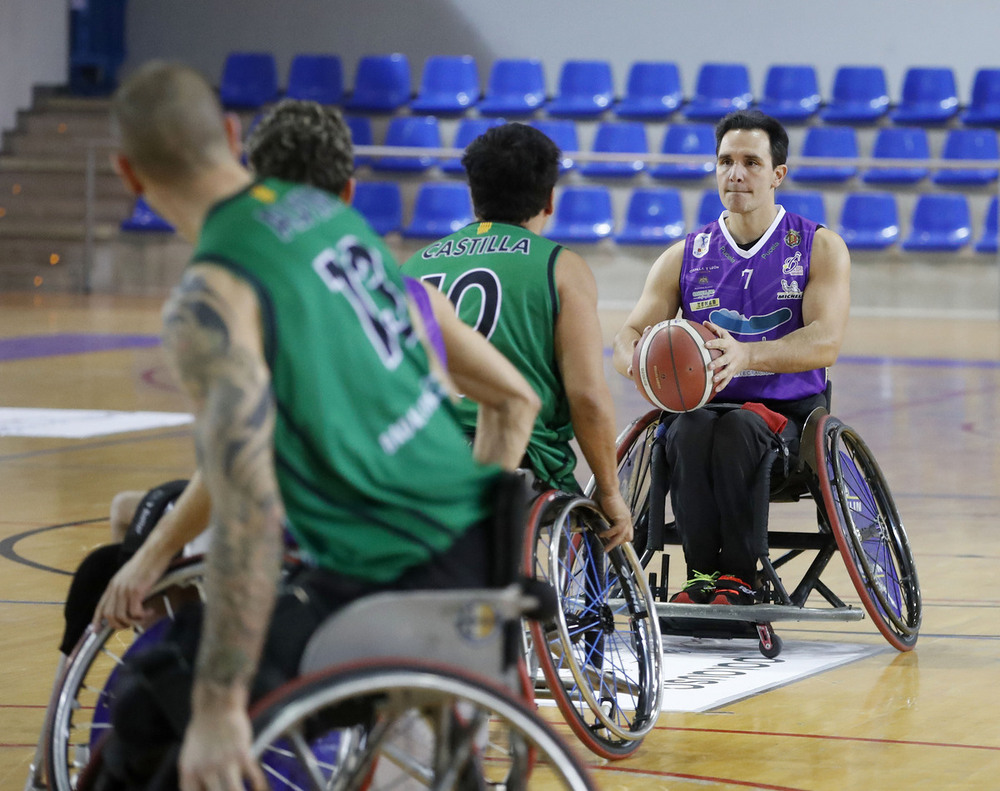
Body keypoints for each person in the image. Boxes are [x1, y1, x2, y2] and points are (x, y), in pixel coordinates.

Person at [96, 61, 540, 791]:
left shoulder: (211, 294)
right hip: (477, 551)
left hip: (380, 584)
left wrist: (216, 704)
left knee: (153, 695)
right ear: (232, 135)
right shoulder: (338, 221)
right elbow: (490, 397)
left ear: (128, 174)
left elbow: (247, 504)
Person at [611, 109, 851, 605]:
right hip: (701, 407)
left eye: (750, 162)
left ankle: (740, 577)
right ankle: (701, 578)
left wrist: (747, 356)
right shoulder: (685, 254)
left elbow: (825, 341)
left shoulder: (817, 247)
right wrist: (639, 359)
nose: (735, 173)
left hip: (786, 417)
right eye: (725, 161)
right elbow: (628, 334)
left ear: (777, 174)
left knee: (738, 428)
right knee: (686, 428)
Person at [401, 122, 633, 550]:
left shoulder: (413, 267)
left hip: (417, 459)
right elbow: (587, 396)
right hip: (514, 461)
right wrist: (609, 490)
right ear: (549, 199)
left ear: (474, 197)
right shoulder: (561, 267)